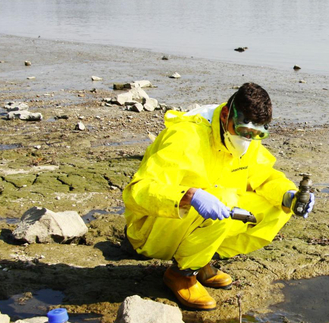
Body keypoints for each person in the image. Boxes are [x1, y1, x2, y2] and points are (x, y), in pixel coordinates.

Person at [122, 82, 314, 310]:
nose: (247, 140)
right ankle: (181, 274)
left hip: (202, 223)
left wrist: (289, 196)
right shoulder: (186, 136)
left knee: (275, 206)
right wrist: (188, 196)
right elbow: (138, 191)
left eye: (256, 134)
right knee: (225, 200)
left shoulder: (248, 141)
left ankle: (200, 259)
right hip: (153, 229)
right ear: (226, 114)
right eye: (243, 131)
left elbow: (264, 177)